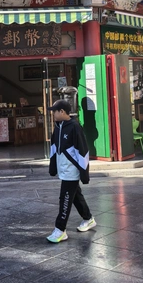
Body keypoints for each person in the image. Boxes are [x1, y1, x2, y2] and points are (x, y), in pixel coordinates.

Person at [47, 99, 95, 243]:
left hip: (71, 170)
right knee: (75, 196)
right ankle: (88, 218)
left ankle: (60, 229)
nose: (53, 114)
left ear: (62, 112)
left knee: (65, 198)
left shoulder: (75, 127)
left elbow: (83, 151)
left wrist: (84, 174)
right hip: (63, 169)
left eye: (54, 111)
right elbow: (54, 148)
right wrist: (53, 167)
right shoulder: (58, 126)